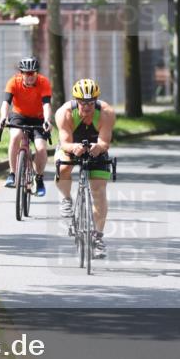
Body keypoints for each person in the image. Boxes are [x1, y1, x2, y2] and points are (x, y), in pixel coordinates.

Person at [55, 78, 116, 259]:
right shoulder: (64, 113)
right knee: (62, 168)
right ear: (76, 100)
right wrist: (73, 148)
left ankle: (98, 238)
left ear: (96, 100)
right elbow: (64, 143)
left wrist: (99, 147)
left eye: (91, 103)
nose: (87, 107)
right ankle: (66, 198)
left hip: (96, 149)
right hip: (71, 145)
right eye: (83, 103)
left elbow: (105, 142)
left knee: (99, 191)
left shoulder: (106, 113)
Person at [0, 57, 52, 196]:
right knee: (15, 136)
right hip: (19, 115)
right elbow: (6, 103)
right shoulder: (13, 82)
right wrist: (3, 118)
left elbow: (46, 104)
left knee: (41, 148)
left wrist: (47, 120)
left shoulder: (43, 82)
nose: (30, 76)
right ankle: (12, 173)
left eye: (33, 73)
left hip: (39, 118)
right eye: (27, 73)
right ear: (21, 73)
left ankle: (39, 179)